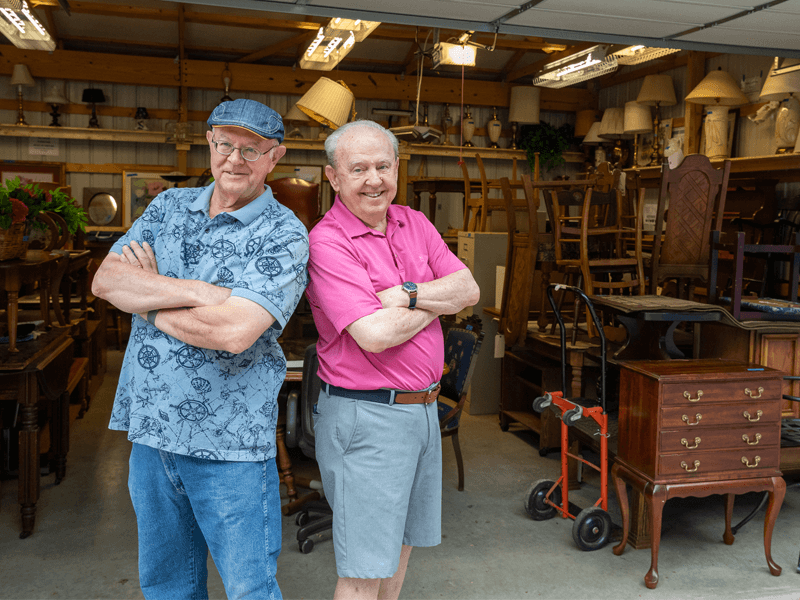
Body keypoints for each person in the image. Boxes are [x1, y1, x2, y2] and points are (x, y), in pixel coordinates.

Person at [91, 98, 309, 600]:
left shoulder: (283, 233)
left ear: (273, 158)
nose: (235, 158)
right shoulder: (168, 207)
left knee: (249, 587)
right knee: (167, 584)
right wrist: (199, 292)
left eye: (250, 149)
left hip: (228, 442)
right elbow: (106, 280)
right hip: (151, 433)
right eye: (225, 144)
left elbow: (235, 333)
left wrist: (149, 295)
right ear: (210, 144)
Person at [305, 120, 480, 600]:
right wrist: (436, 303)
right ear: (333, 177)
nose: (373, 179)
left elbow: (469, 289)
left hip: (422, 411)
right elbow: (375, 335)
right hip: (368, 417)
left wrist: (404, 295)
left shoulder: (414, 222)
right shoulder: (327, 242)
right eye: (357, 168)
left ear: (397, 169)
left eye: (383, 166)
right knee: (363, 570)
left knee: (401, 549)